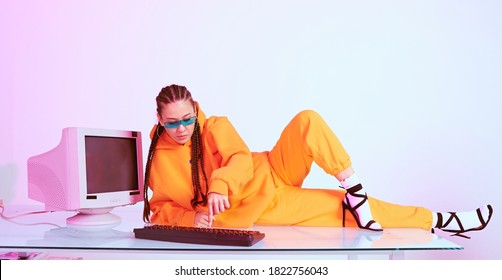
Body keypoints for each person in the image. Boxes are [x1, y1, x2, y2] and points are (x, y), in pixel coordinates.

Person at [142, 84, 493, 239]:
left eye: (187, 118)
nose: (182, 128)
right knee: (345, 211)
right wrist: (193, 216)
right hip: (262, 206)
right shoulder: (157, 160)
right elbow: (159, 209)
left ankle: (355, 187)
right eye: (172, 122)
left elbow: (240, 159)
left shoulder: (215, 125)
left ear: (195, 110)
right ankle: (443, 219)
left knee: (307, 119)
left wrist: (220, 183)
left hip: (273, 168)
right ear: (160, 120)